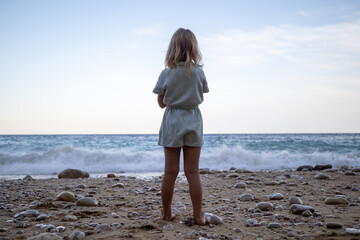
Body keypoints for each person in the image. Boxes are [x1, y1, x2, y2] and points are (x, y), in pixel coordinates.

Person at [153, 28, 209, 225]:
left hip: (172, 120)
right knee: (192, 171)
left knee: (170, 171)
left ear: (172, 49)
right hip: (193, 119)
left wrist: (173, 98)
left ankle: (167, 214)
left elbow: (161, 103)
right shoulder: (199, 73)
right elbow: (201, 96)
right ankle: (197, 215)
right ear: (194, 49)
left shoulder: (166, 73)